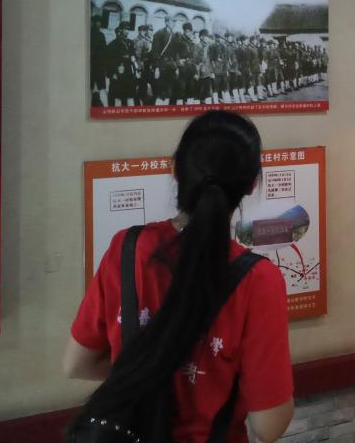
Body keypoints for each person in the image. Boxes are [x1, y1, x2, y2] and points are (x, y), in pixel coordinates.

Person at [63, 111, 294, 443]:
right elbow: (269, 426)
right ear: (252, 184)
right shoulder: (258, 279)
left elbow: (77, 364)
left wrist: (151, 371)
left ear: (174, 169)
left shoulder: (127, 248)